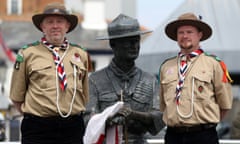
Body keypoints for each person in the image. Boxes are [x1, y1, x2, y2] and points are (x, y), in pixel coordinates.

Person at [9, 3, 90, 144]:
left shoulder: (80, 54)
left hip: (72, 128)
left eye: (60, 22)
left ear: (67, 26)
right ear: (42, 27)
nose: (55, 26)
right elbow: (17, 97)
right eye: (50, 22)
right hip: (38, 129)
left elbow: (84, 94)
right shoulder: (28, 53)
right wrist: (37, 116)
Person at [84, 14, 164, 144]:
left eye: (136, 40)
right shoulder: (95, 80)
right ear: (113, 44)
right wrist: (109, 119)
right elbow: (88, 120)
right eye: (128, 41)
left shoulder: (150, 81)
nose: (134, 45)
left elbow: (159, 119)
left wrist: (134, 115)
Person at [159, 12, 233, 144]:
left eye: (189, 32)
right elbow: (163, 106)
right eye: (181, 32)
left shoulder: (214, 64)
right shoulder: (166, 67)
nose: (185, 36)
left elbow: (225, 105)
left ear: (200, 35)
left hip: (203, 136)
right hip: (173, 137)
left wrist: (204, 125)